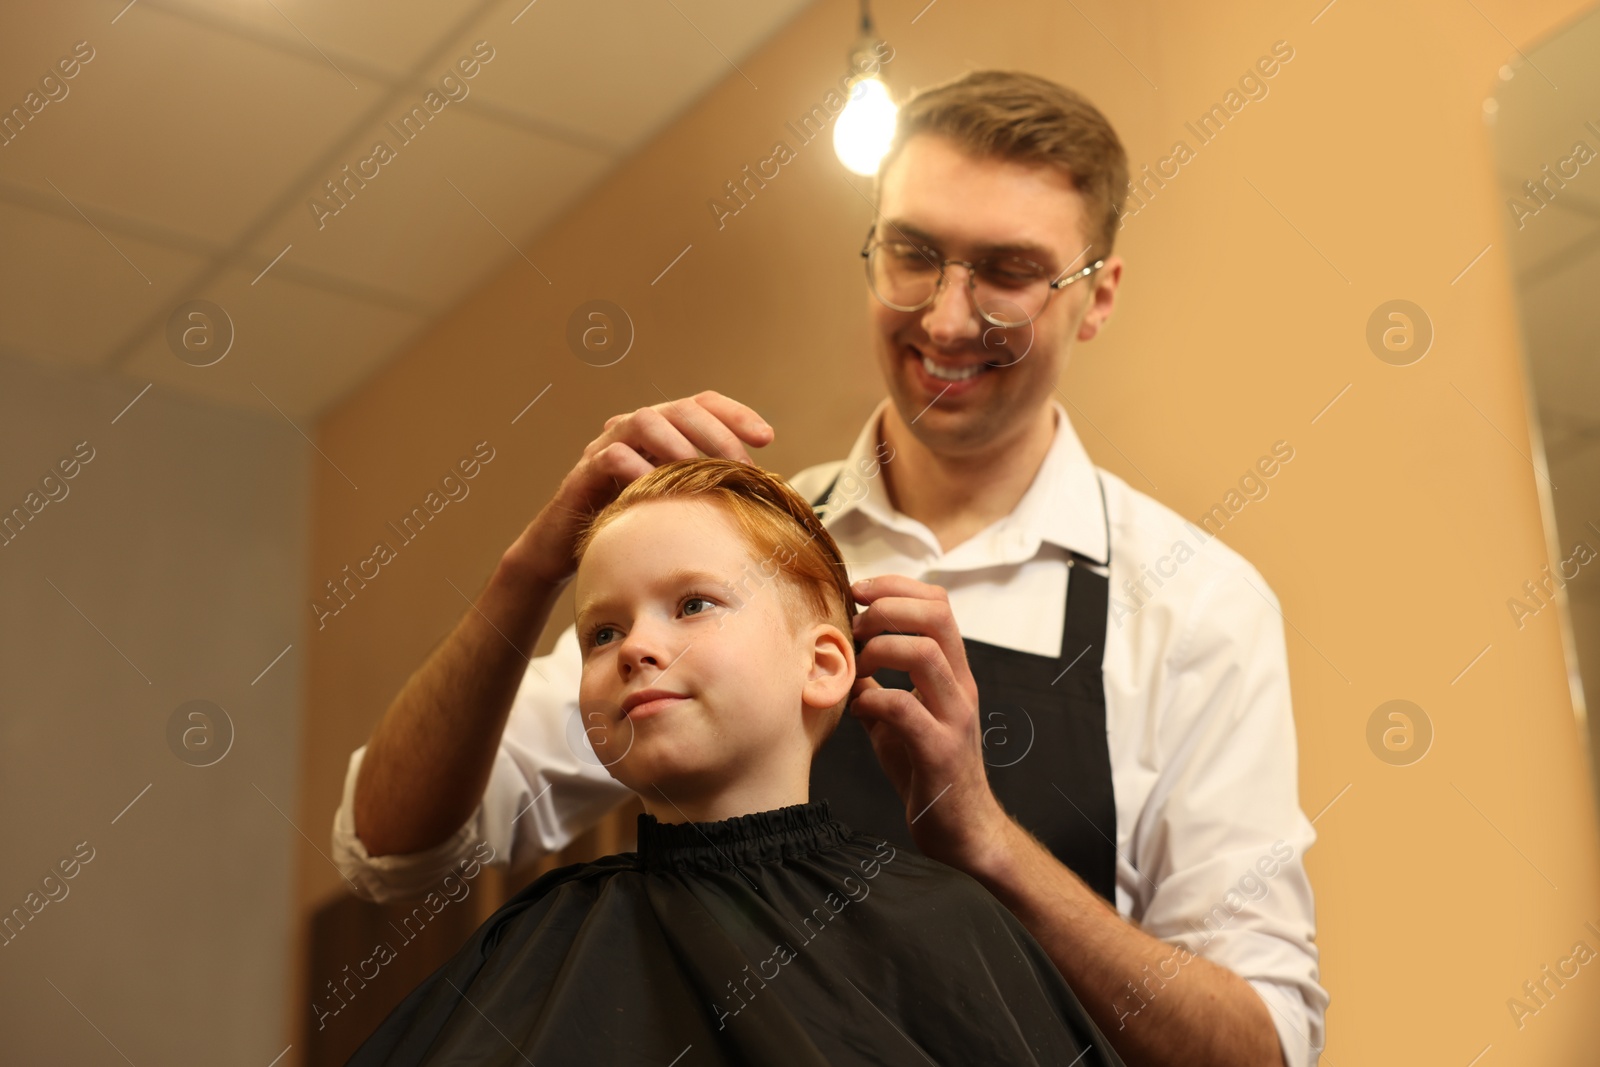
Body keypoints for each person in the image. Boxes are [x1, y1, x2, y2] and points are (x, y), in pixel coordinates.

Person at [334, 70, 1327, 1067]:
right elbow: (390, 852)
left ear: (1096, 295)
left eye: (1009, 270)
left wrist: (985, 841)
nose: (944, 318)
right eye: (913, 253)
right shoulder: (733, 549)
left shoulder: (1195, 604)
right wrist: (532, 565)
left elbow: (1259, 1050)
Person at [345, 458, 1128, 1066]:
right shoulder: (537, 946)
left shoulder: (950, 927)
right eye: (602, 633)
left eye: (692, 604)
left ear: (825, 665)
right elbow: (382, 846)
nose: (637, 648)